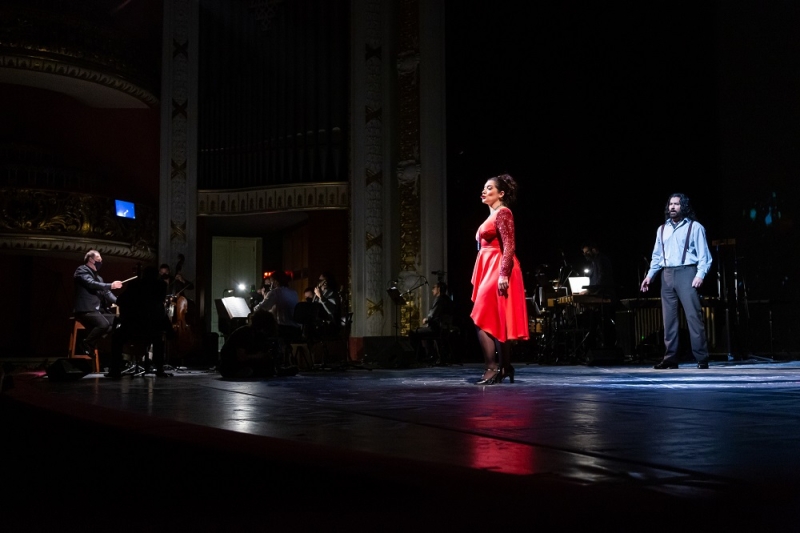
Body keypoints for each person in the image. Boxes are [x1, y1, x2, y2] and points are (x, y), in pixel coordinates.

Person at [640, 193, 712, 369]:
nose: (672, 207)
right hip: (667, 275)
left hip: (687, 272)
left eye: (676, 204)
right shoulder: (662, 229)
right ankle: (670, 358)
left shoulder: (695, 227)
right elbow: (656, 257)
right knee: (669, 319)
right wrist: (650, 276)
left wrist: (700, 275)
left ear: (684, 207)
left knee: (693, 316)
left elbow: (705, 256)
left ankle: (701, 358)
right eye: (670, 204)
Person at [470, 174, 529, 384]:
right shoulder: (492, 215)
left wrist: (504, 273)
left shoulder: (503, 213)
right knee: (497, 318)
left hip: (499, 265)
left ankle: (492, 366)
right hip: (488, 266)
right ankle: (505, 367)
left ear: (501, 193)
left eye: (489, 188)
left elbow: (510, 245)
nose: (484, 191)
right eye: (484, 188)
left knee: (480, 316)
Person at [109, 265, 172, 378]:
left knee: (116, 337)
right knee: (159, 338)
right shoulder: (161, 285)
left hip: (134, 325)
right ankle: (159, 369)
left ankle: (114, 369)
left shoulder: (135, 284)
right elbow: (158, 304)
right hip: (153, 326)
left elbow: (120, 300)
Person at [73, 250, 123, 358]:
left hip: (97, 311)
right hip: (86, 310)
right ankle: (87, 343)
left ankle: (93, 341)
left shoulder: (99, 278)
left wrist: (120, 302)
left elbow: (107, 293)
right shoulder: (82, 270)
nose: (101, 261)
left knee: (118, 322)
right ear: (91, 259)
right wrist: (111, 285)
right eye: (99, 258)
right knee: (103, 324)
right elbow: (91, 284)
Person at [217, 311, 282, 378]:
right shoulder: (245, 333)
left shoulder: (259, 335)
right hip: (230, 365)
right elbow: (241, 357)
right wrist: (260, 356)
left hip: (244, 363)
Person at [410, 281, 454, 364]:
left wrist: (426, 319)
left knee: (413, 332)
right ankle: (431, 356)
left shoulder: (439, 299)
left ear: (439, 289)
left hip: (437, 329)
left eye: (434, 288)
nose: (432, 290)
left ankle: (419, 357)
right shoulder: (447, 299)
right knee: (425, 334)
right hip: (444, 328)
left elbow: (433, 315)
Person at [254, 270, 302, 344]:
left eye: (271, 281)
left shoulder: (275, 292)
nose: (270, 284)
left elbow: (262, 308)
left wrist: (255, 308)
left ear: (275, 281)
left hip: (282, 329)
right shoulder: (294, 292)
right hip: (296, 329)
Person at [313, 271, 342, 337]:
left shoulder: (332, 293)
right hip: (317, 323)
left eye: (321, 280)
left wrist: (321, 297)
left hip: (328, 325)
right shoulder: (318, 292)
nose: (319, 282)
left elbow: (331, 311)